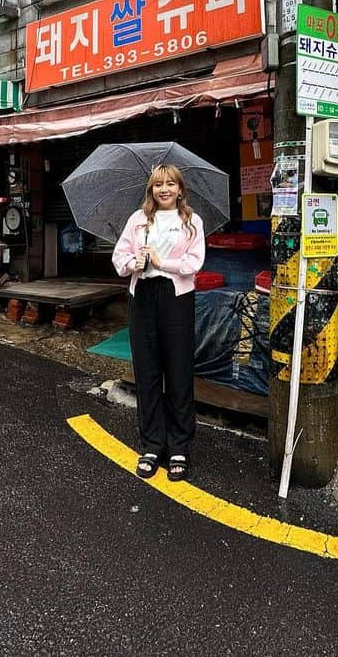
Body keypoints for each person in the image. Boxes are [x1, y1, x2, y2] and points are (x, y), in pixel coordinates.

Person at [112, 164, 205, 482]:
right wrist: (132, 263)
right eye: (157, 185)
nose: (164, 189)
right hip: (143, 297)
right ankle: (152, 444)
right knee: (147, 372)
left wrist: (164, 262)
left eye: (170, 184)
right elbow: (118, 256)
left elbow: (195, 262)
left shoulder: (192, 221)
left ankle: (179, 446)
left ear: (180, 189)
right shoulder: (138, 220)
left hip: (176, 298)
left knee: (178, 372)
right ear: (150, 190)